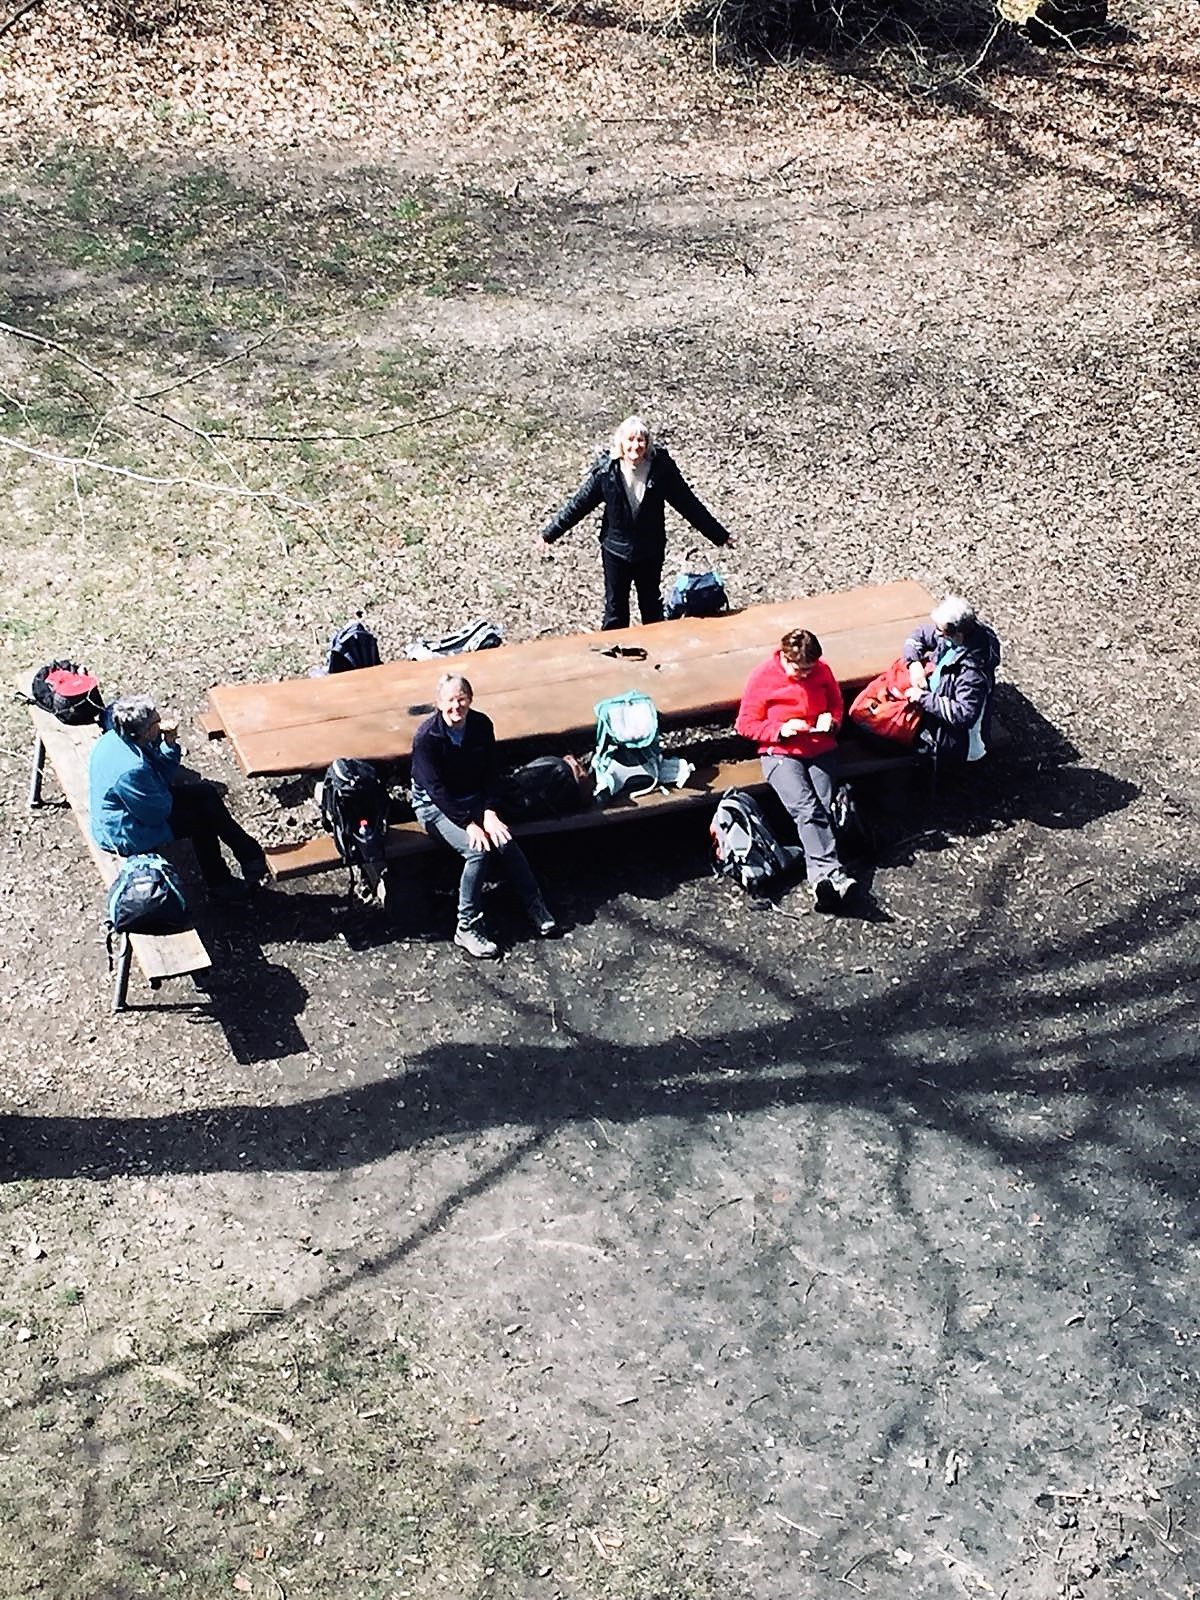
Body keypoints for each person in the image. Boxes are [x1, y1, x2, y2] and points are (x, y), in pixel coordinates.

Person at [537, 415, 734, 631]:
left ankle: (657, 655)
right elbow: (579, 504)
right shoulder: (607, 471)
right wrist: (550, 534)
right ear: (621, 442)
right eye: (630, 440)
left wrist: (720, 535)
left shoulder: (661, 470)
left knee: (651, 606)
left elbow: (688, 504)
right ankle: (613, 657)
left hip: (650, 549)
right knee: (615, 610)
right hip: (615, 550)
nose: (635, 446)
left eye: (641, 441)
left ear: (647, 443)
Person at [410, 673, 556, 958]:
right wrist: (468, 823)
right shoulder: (427, 738)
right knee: (477, 851)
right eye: (450, 700)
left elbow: (491, 772)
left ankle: (534, 905)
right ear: (439, 704)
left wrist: (489, 811)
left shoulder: (480, 725)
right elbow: (436, 790)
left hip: (474, 799)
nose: (457, 706)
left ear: (471, 699)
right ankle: (466, 926)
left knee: (504, 841)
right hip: (435, 806)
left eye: (461, 698)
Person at [89, 694, 267, 904]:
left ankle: (249, 854)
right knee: (201, 822)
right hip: (126, 831)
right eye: (157, 720)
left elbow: (162, 774)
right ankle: (221, 883)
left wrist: (169, 743)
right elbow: (157, 814)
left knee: (206, 793)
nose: (161, 722)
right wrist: (165, 790)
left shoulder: (122, 737)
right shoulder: (132, 770)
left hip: (143, 805)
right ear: (145, 731)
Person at [735, 628, 856, 909]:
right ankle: (832, 874)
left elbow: (836, 703)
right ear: (785, 658)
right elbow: (745, 724)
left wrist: (832, 721)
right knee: (806, 808)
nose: (804, 675)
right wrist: (781, 729)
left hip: (820, 748)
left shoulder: (823, 671)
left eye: (809, 669)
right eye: (798, 669)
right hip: (780, 753)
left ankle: (823, 880)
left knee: (826, 807)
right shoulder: (763, 676)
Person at [902, 596, 1001, 765]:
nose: (937, 634)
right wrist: (914, 664)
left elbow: (964, 715)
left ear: (959, 634)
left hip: (956, 743)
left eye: (942, 631)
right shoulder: (951, 637)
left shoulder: (972, 673)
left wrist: (923, 698)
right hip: (936, 710)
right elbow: (918, 635)